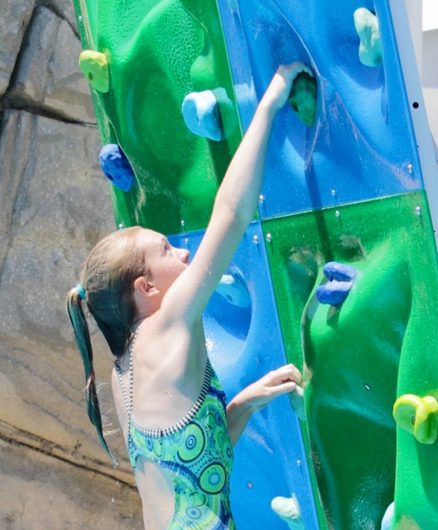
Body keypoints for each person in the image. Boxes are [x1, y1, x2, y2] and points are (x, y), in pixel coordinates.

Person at [66, 63, 308, 529]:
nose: (181, 252)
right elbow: (233, 214)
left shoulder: (126, 372)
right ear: (147, 288)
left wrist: (242, 405)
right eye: (165, 250)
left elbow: (195, 477)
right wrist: (269, 102)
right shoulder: (168, 324)